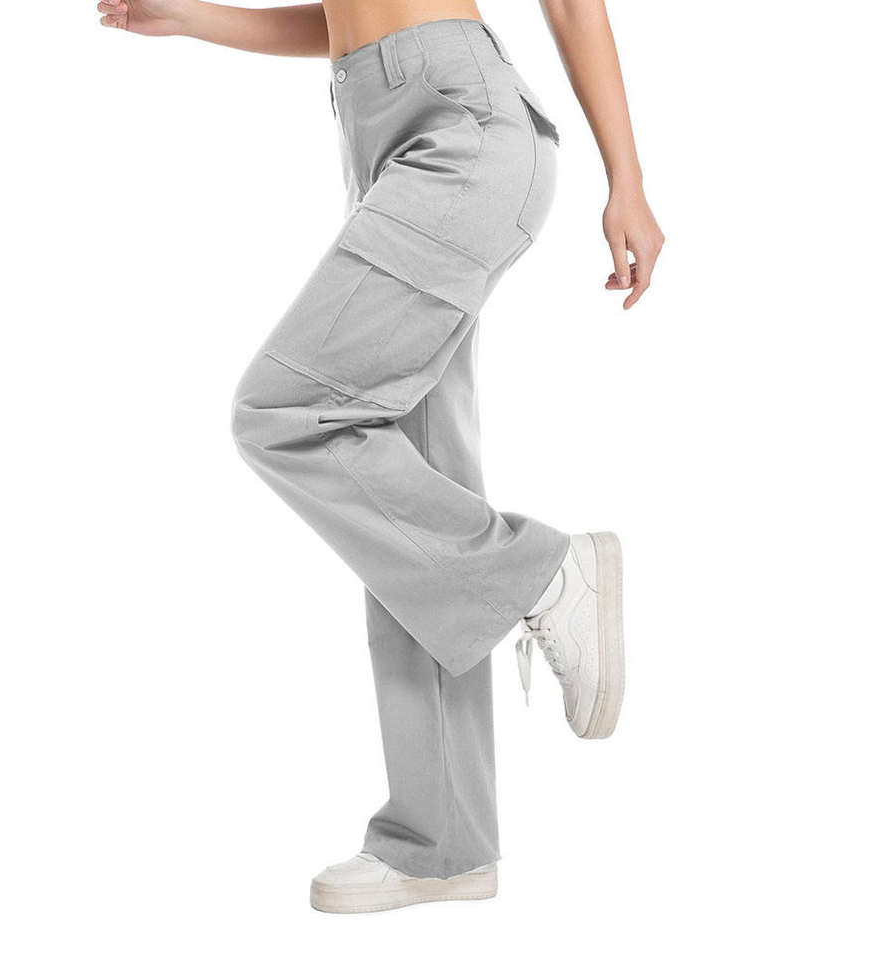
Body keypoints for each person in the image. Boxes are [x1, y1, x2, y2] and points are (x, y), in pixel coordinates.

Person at [97, 0, 664, 914]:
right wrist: (200, 21)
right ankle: (443, 845)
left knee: (285, 412)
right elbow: (342, 18)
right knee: (409, 511)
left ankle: (544, 573)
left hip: (460, 124)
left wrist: (626, 179)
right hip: (378, 126)